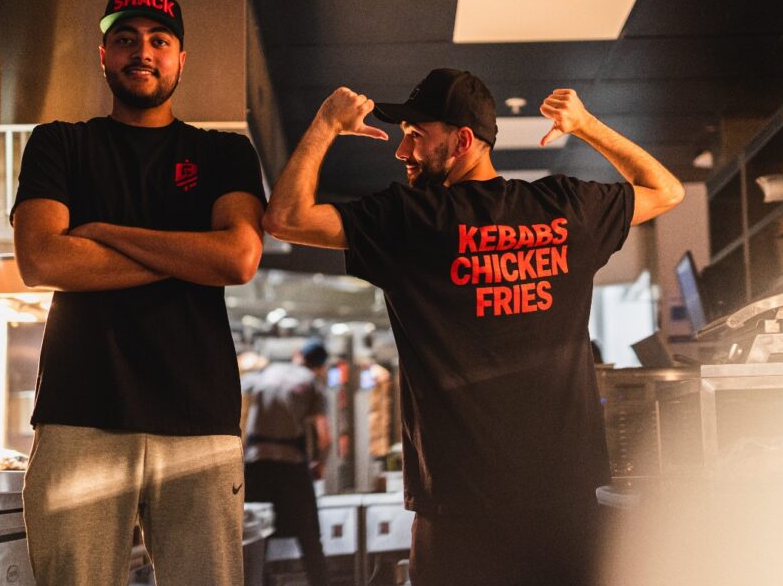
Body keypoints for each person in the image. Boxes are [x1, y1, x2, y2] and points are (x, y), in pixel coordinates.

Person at [263, 68, 684, 585]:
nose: (403, 152)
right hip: (566, 508)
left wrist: (328, 123)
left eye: (416, 135)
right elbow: (665, 190)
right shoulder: (564, 208)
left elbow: (285, 218)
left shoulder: (411, 220)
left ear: (462, 141)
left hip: (458, 510)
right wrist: (585, 125)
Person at [11, 0, 265, 584]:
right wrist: (193, 253)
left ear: (181, 58)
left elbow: (238, 258)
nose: (142, 52)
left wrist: (100, 233)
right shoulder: (60, 142)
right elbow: (42, 260)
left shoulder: (224, 152)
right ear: (103, 55)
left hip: (199, 421)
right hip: (80, 415)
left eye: (159, 41)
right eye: (125, 39)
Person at [242, 339, 332, 586]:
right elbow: (325, 437)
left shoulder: (267, 372)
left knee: (255, 537)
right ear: (321, 367)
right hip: (290, 466)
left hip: (255, 464)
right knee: (310, 538)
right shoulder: (313, 383)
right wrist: (320, 464)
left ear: (297, 354)